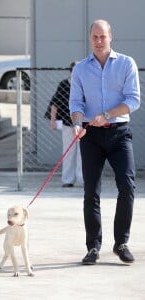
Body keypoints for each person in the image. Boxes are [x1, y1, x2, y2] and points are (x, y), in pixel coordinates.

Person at [69, 19, 140, 265]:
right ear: (90, 39)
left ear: (111, 37)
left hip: (119, 132)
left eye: (103, 36)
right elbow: (76, 104)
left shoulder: (126, 64)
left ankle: (121, 243)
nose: (99, 41)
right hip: (91, 136)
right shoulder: (80, 68)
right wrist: (77, 123)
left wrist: (107, 114)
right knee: (91, 192)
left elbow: (133, 100)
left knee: (127, 187)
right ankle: (93, 247)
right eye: (94, 37)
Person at [50, 61, 83, 188]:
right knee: (68, 152)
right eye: (75, 69)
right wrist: (53, 120)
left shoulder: (85, 84)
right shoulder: (63, 84)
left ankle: (83, 179)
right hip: (67, 123)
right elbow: (55, 103)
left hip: (82, 124)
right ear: (70, 71)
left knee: (83, 153)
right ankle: (67, 179)